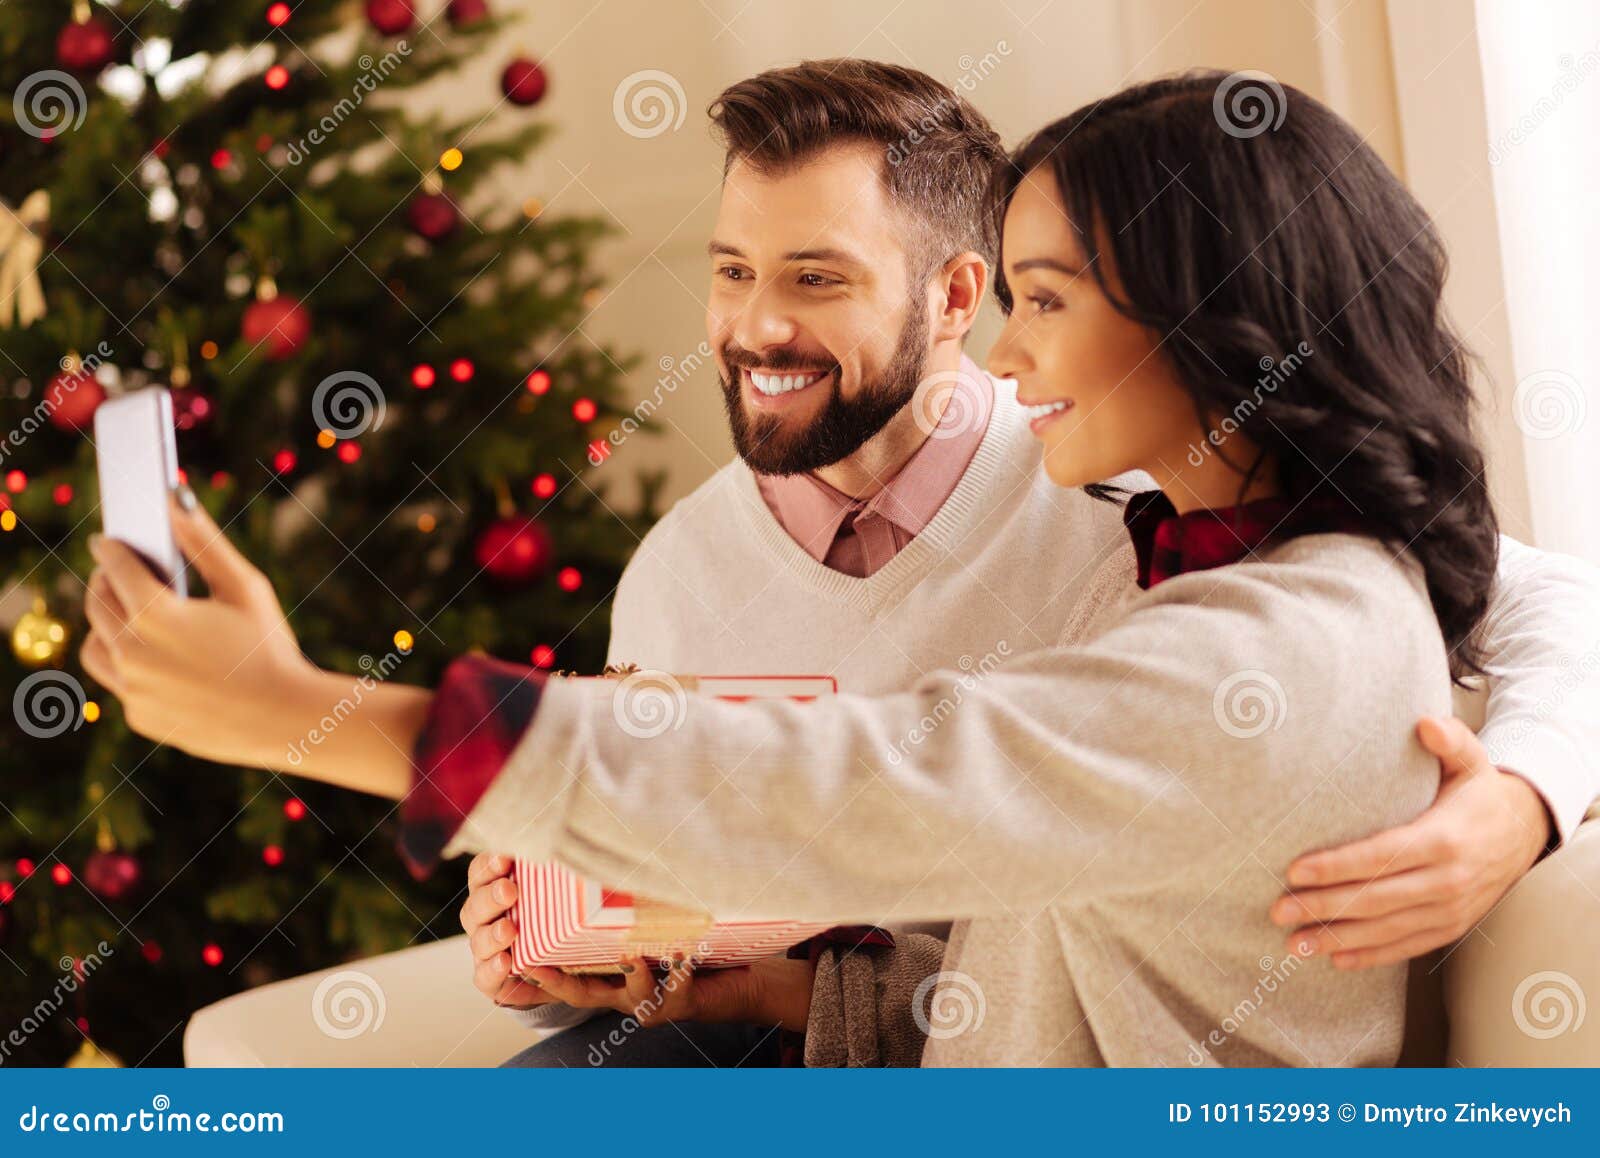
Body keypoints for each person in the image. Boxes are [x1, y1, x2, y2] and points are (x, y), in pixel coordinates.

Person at [81, 69, 1600, 1066]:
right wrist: (596, 935)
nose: (755, 325)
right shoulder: (1228, 549)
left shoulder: (1228, 602)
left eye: (1044, 300)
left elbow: (866, 781)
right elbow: (993, 908)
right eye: (733, 272)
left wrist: (307, 711)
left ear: (1217, 325)